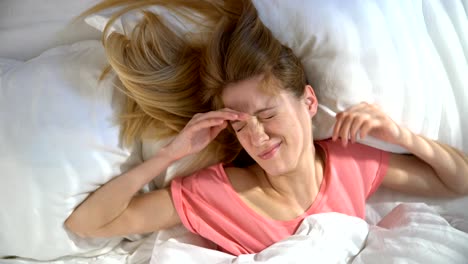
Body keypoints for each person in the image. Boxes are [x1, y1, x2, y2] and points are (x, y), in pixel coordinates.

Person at [66, 0, 468, 256]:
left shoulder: (348, 163)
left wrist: (403, 138)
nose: (257, 137)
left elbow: (457, 184)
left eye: (268, 115)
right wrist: (172, 155)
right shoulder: (215, 193)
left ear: (309, 102)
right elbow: (88, 224)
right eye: (240, 124)